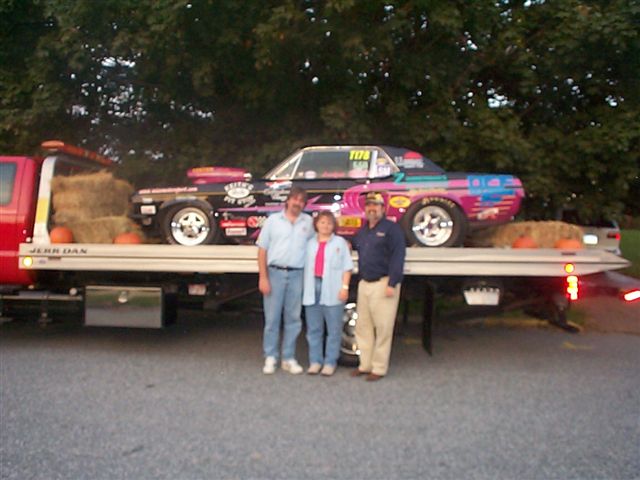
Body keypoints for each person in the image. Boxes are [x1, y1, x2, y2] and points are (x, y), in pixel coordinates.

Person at [257, 187, 314, 375]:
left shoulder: (309, 222)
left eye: (301, 201)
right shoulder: (273, 221)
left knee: (294, 318)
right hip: (275, 274)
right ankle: (271, 357)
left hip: (298, 275)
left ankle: (288, 358)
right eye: (295, 199)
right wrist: (263, 277)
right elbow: (262, 250)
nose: (297, 203)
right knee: (272, 319)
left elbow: (318, 243)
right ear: (287, 201)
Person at [350, 192, 406, 381]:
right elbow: (352, 244)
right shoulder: (363, 231)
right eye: (369, 205)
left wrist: (392, 282)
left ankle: (379, 368)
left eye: (376, 205)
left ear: (383, 208)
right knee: (362, 327)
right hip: (364, 283)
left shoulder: (392, 230)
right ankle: (365, 365)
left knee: (383, 328)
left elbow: (399, 257)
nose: (372, 208)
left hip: (384, 283)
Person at [303, 211, 353, 376]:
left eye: (329, 223)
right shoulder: (309, 243)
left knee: (334, 329)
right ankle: (315, 362)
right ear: (316, 224)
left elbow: (347, 267)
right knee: (314, 329)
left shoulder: (340, 243)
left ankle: (330, 362)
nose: (326, 226)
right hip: (312, 289)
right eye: (322, 222)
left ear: (334, 226)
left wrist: (344, 287)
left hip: (332, 288)